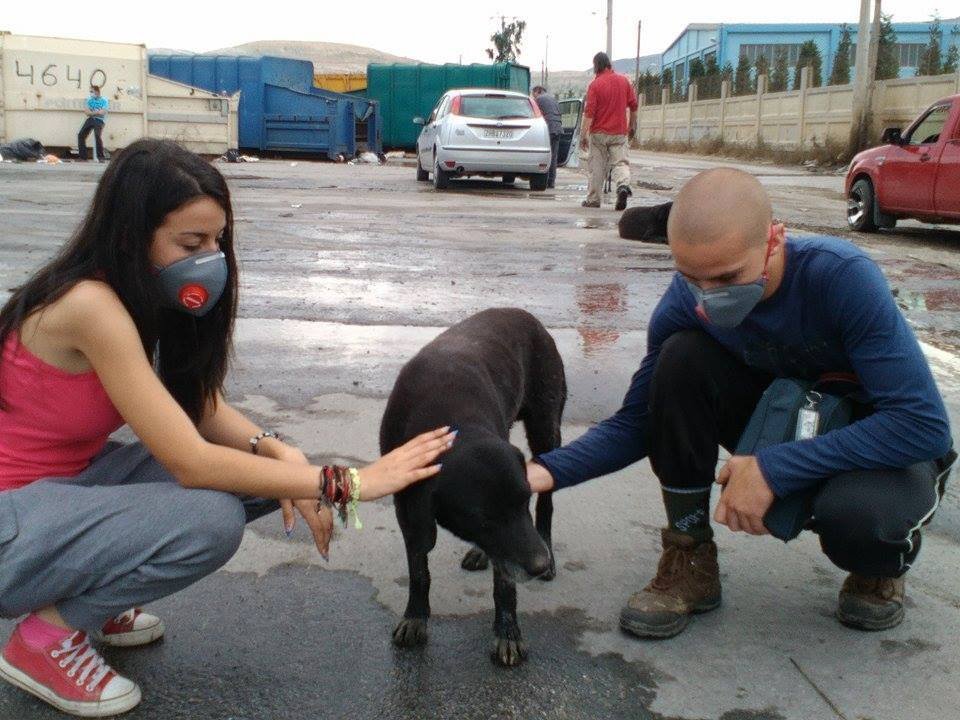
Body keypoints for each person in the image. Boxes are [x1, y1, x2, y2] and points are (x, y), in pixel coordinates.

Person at [0, 139, 454, 717]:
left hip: (60, 495)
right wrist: (346, 483)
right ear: (132, 235)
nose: (211, 257)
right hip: (12, 526)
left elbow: (198, 407)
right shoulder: (91, 304)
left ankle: (97, 595)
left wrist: (282, 455)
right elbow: (190, 460)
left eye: (218, 241)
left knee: (261, 471)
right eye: (192, 243)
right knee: (210, 520)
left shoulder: (139, 295)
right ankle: (41, 643)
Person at [527, 167, 954, 638]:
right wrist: (542, 472)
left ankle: (879, 568)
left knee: (862, 521)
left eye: (729, 276)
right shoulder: (682, 304)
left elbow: (921, 425)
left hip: (875, 444)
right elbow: (638, 421)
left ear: (774, 240)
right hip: (783, 421)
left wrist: (774, 468)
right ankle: (690, 554)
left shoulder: (841, 279)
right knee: (680, 359)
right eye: (692, 277)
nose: (710, 297)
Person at [579, 52, 638, 211]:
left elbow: (589, 113)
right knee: (621, 163)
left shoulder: (595, 85)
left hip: (598, 133)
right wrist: (632, 125)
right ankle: (623, 186)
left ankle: (594, 199)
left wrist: (583, 135)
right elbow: (633, 105)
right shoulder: (624, 81)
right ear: (609, 64)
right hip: (619, 132)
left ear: (596, 66)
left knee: (597, 166)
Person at [532, 85, 562, 189]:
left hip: (547, 128)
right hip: (558, 128)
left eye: (534, 94)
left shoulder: (539, 99)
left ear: (538, 91)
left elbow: (534, 114)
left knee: (544, 155)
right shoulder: (553, 99)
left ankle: (544, 180)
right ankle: (551, 182)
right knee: (553, 156)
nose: (533, 96)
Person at [78, 85, 108, 162]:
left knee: (97, 135)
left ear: (97, 92)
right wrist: (97, 112)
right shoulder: (89, 100)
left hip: (99, 120)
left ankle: (101, 157)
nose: (91, 93)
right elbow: (87, 112)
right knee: (81, 135)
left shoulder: (104, 100)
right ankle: (83, 157)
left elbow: (103, 112)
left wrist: (92, 112)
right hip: (90, 119)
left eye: (92, 91)